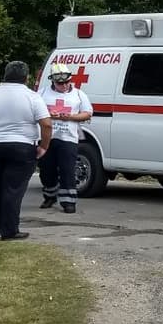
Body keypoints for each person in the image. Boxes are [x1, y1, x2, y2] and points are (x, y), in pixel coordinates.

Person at [0, 61, 52, 241]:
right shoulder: (32, 97)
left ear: (5, 75)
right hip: (21, 145)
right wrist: (44, 146)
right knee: (13, 190)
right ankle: (9, 230)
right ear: (26, 77)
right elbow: (46, 124)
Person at [39, 60, 93, 213]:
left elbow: (87, 113)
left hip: (68, 137)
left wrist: (69, 117)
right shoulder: (42, 93)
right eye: (59, 83)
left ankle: (69, 201)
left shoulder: (79, 94)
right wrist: (48, 115)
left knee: (67, 169)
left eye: (66, 82)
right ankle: (50, 195)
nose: (63, 86)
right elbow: (34, 111)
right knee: (46, 169)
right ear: (52, 81)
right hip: (47, 137)